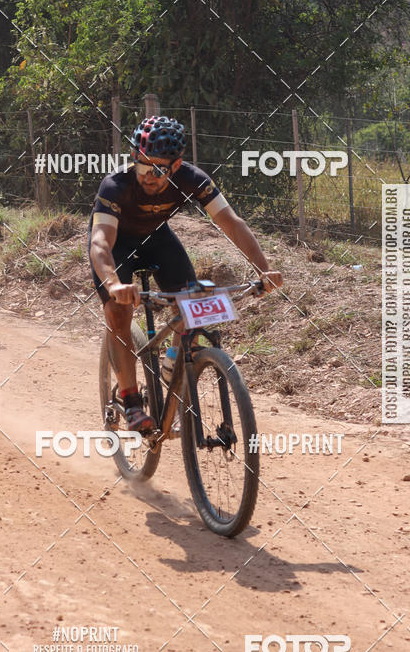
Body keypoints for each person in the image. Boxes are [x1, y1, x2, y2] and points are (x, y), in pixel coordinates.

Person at [89, 115, 282, 433]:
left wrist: (264, 268)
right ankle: (132, 402)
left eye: (159, 169)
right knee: (119, 311)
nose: (149, 177)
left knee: (195, 303)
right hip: (116, 246)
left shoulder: (193, 178)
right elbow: (99, 243)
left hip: (156, 239)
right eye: (142, 166)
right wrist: (114, 283)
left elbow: (231, 222)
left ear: (176, 166)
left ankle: (171, 368)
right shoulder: (116, 185)